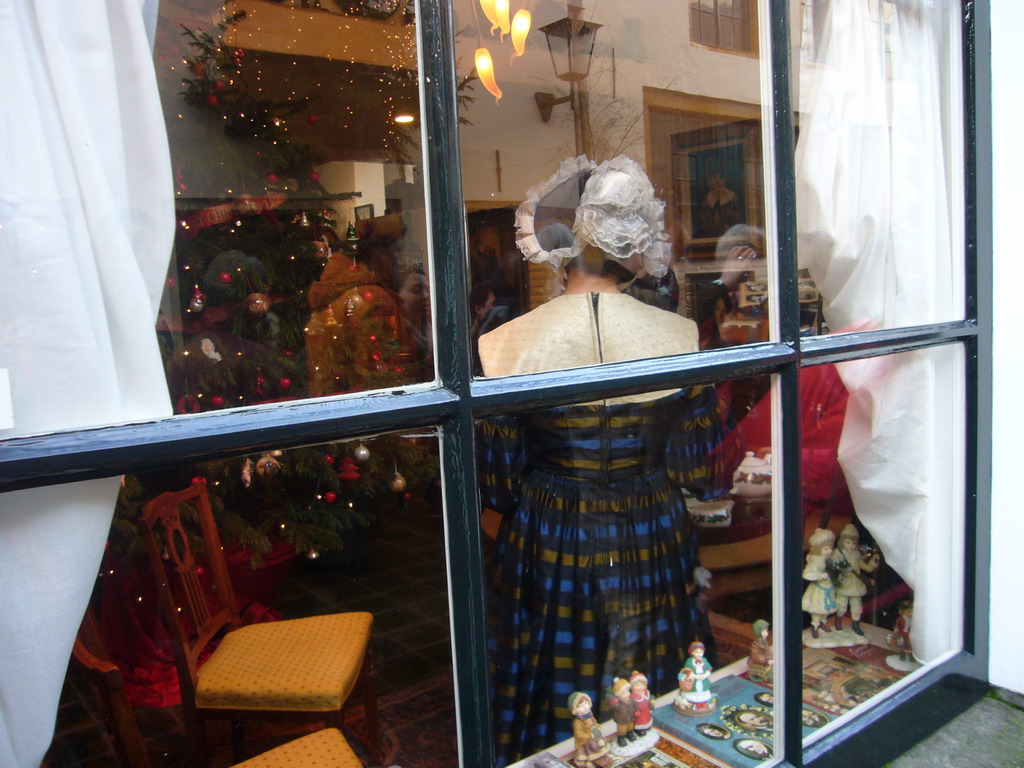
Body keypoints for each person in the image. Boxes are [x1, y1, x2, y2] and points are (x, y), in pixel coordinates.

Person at [479, 155, 727, 765]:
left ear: (562, 244)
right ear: (633, 246)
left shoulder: (506, 342)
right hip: (651, 522)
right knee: (655, 662)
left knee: (553, 665)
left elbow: (498, 485)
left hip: (551, 524)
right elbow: (698, 470)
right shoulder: (679, 334)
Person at [829, 524, 880, 635]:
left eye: (853, 543)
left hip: (856, 585)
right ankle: (838, 622)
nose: (851, 546)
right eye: (848, 542)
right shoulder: (838, 554)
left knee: (856, 606)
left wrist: (873, 563)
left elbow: (865, 567)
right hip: (844, 584)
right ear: (842, 542)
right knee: (841, 604)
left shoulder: (857, 554)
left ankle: (855, 625)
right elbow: (832, 567)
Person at [802, 528, 838, 638]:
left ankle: (822, 623)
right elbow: (807, 574)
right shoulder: (815, 561)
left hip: (829, 588)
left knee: (826, 610)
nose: (829, 551)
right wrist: (820, 576)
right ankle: (815, 626)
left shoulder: (831, 559)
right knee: (817, 609)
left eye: (830, 548)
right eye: (826, 549)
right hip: (819, 590)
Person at [568, 692, 614, 768]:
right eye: (580, 706)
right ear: (575, 710)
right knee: (593, 749)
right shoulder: (577, 722)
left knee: (601, 745)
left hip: (595, 736)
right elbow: (579, 735)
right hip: (586, 742)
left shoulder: (590, 715)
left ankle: (603, 757)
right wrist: (590, 735)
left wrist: (596, 727)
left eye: (585, 703)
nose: (585, 707)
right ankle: (595, 760)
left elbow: (594, 723)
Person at [674, 640, 716, 715]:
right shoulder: (690, 661)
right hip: (693, 680)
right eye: (696, 652)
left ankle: (703, 702)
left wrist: (705, 675)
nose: (699, 654)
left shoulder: (704, 660)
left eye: (701, 652)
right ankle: (691, 701)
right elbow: (687, 670)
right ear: (692, 653)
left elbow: (709, 668)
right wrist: (694, 676)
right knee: (693, 689)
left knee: (703, 689)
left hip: (703, 679)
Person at [747, 619, 774, 683]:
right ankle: (765, 677)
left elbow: (768, 651)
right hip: (758, 662)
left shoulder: (764, 642)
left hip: (766, 659)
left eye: (766, 631)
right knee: (766, 671)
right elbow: (756, 655)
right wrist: (766, 661)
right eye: (764, 631)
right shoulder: (755, 644)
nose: (766, 634)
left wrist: (771, 657)